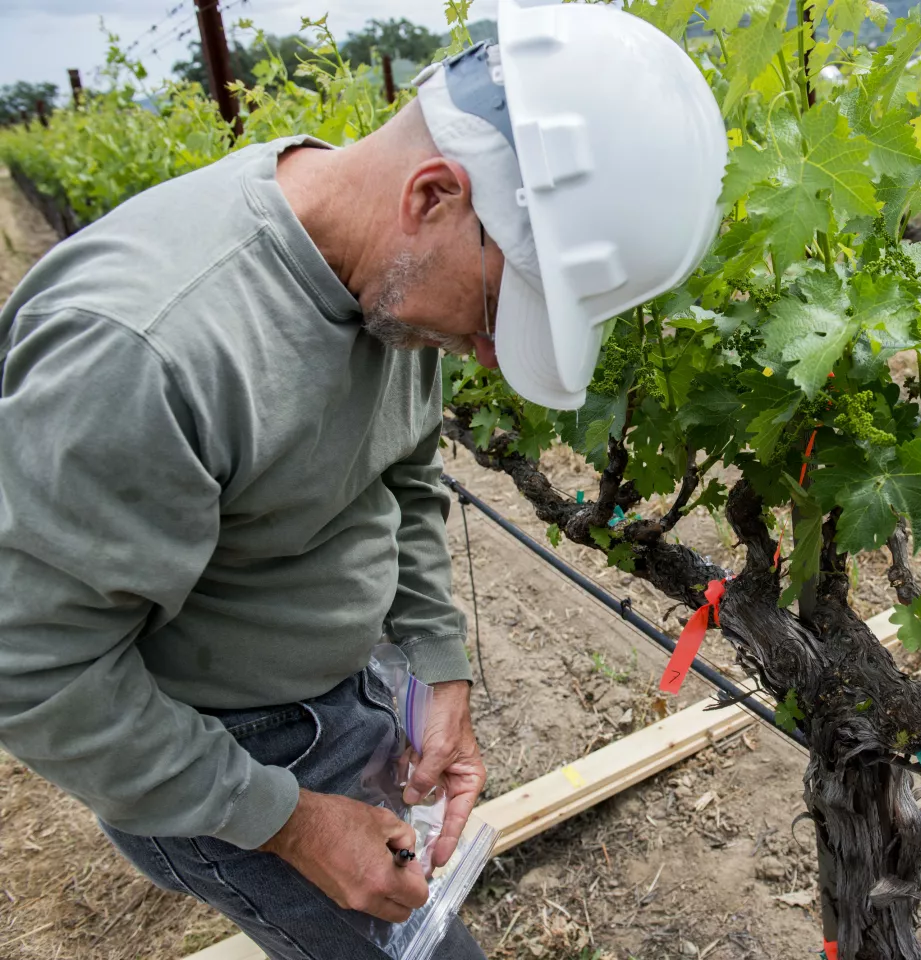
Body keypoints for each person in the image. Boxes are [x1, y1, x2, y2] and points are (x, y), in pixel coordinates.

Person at [0, 0, 727, 955]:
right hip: (222, 756)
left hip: (341, 704)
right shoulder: (145, 352)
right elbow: (35, 673)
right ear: (432, 196)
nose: (493, 356)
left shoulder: (383, 277)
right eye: (501, 311)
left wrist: (435, 668)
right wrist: (291, 821)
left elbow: (407, 475)